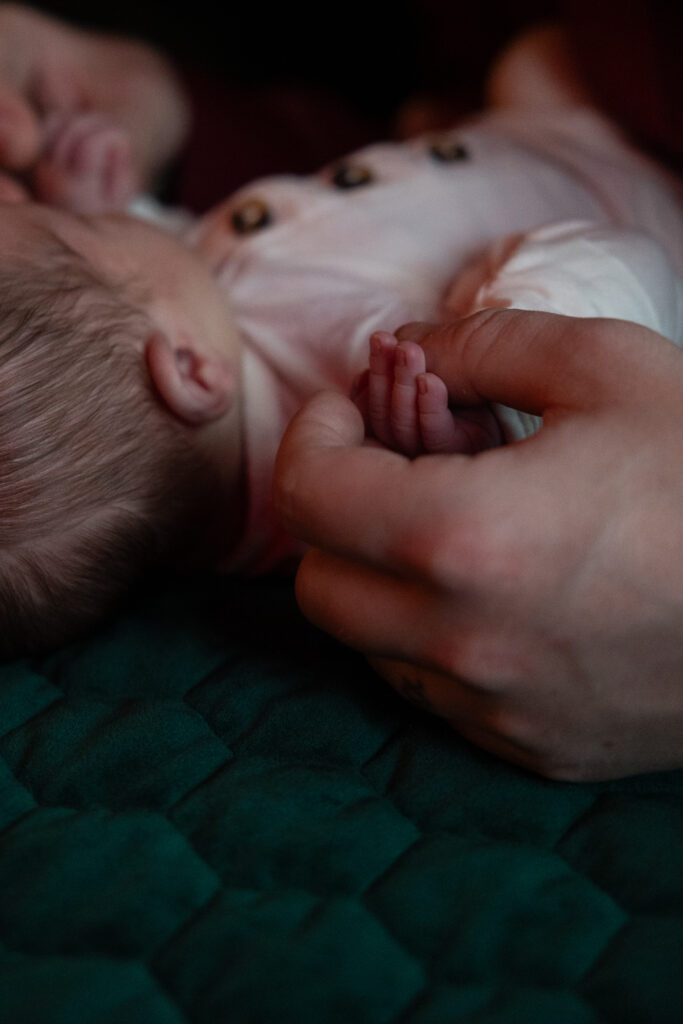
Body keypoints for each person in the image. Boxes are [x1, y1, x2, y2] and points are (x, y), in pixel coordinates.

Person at [0, 8, 681, 785]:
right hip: (627, 198)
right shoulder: (370, 381)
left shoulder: (196, 335)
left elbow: (136, 282)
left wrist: (106, 206)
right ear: (189, 370)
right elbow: (596, 365)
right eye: (74, 232)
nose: (60, 208)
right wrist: (516, 362)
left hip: (536, 119)